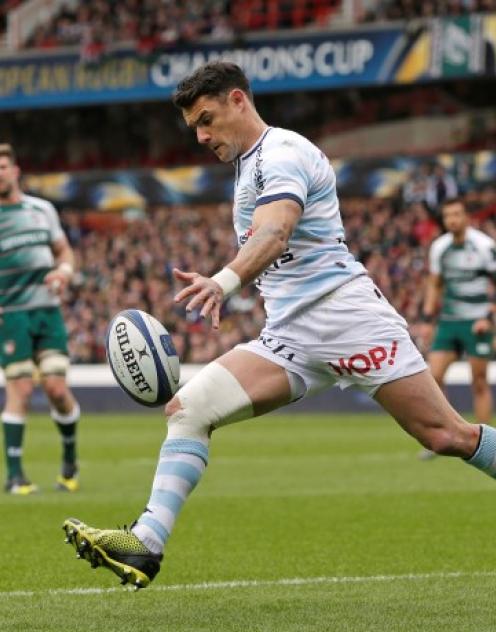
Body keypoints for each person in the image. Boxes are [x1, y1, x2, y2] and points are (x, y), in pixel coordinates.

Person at [63, 62, 496, 590]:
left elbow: (277, 230)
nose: (201, 137)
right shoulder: (249, 167)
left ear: (239, 101)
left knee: (447, 435)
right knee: (188, 409)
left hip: (346, 318)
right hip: (289, 335)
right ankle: (147, 544)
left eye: (207, 119)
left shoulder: (284, 153)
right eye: (194, 128)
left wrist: (223, 281)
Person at [0, 144, 80, 494]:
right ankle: (15, 474)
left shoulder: (42, 210)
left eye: (3, 166)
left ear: (15, 171)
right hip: (11, 315)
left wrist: (63, 271)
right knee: (20, 388)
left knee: (56, 389)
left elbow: (63, 250)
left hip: (47, 312)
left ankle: (69, 462)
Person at [419, 197, 495, 459]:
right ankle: (448, 436)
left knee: (479, 381)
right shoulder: (440, 247)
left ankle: (487, 445)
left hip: (477, 322)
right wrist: (428, 320)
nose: (452, 219)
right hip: (449, 321)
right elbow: (435, 284)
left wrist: (489, 316)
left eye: (456, 214)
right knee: (434, 377)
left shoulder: (484, 246)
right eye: (447, 215)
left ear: (466, 217)